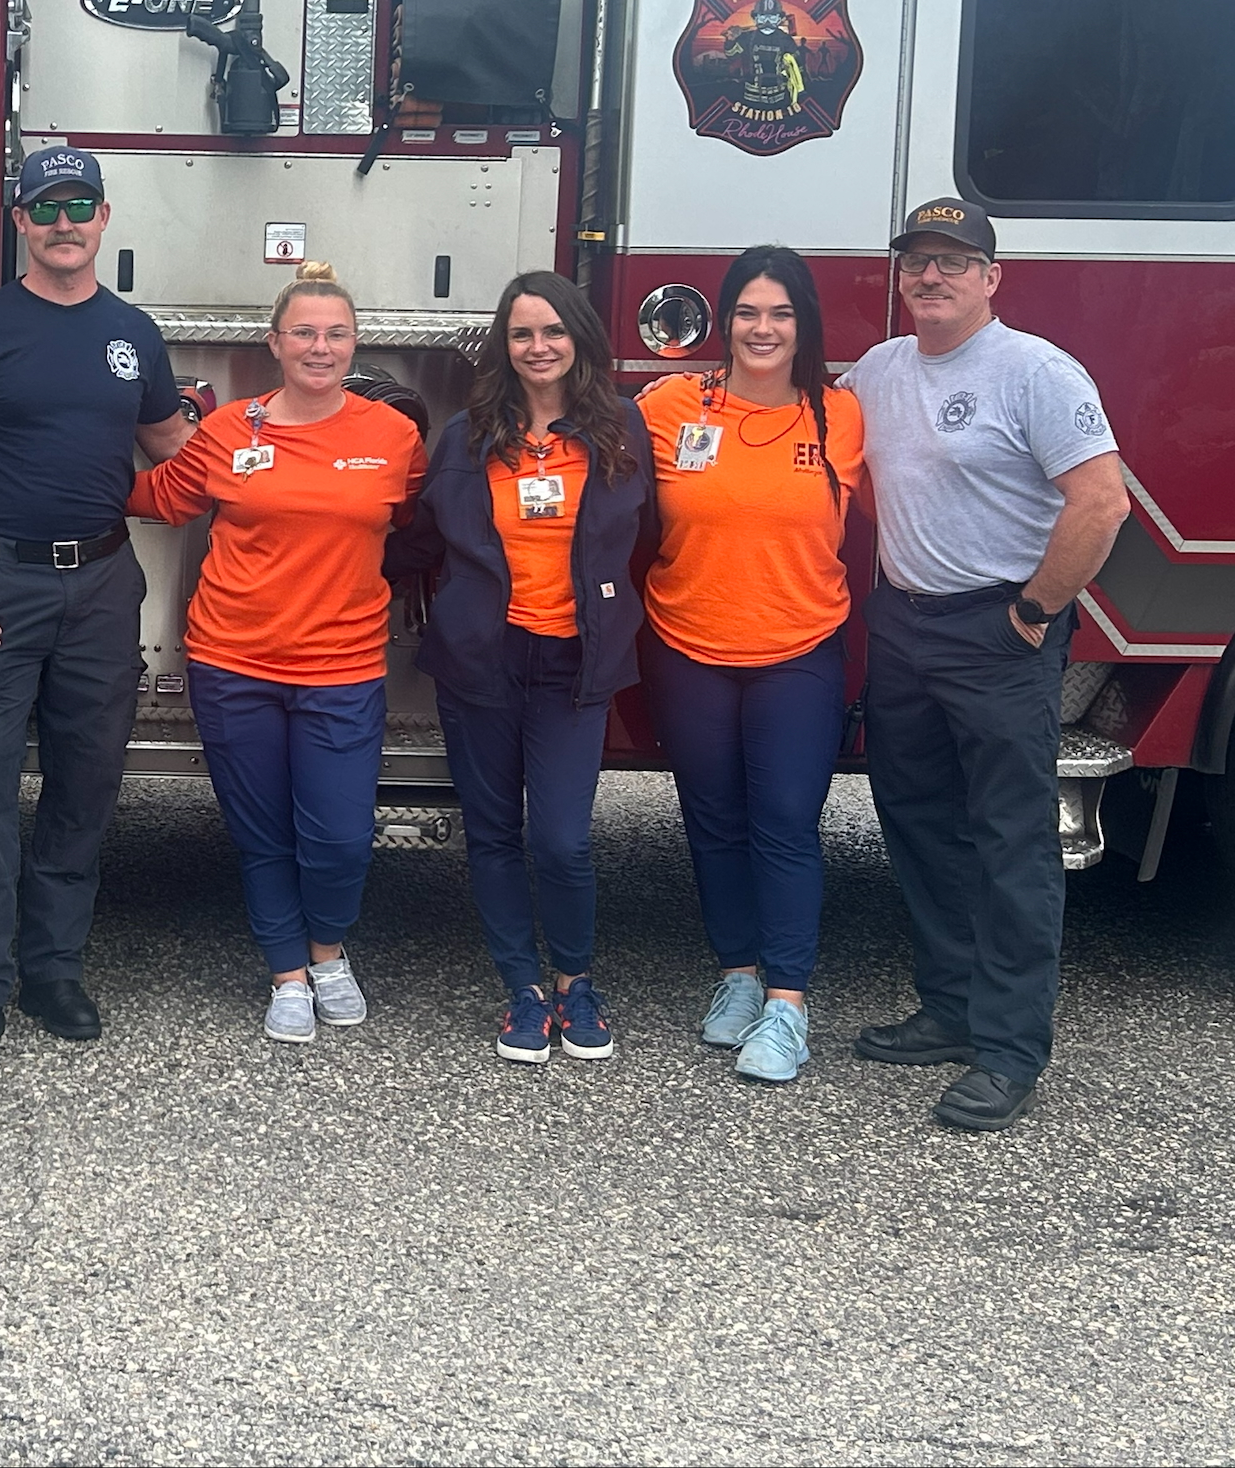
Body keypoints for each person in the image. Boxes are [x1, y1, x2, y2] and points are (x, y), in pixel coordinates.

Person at [0, 146, 191, 1067]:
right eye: (45, 207)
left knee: (85, 783)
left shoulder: (133, 334)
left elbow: (173, 449)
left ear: (105, 218)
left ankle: (54, 970)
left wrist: (264, 439)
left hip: (104, 586)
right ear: (20, 222)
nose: (64, 223)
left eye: (80, 206)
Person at [843, 198, 1128, 1132]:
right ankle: (952, 1008)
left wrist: (1034, 612)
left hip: (1000, 633)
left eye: (953, 263)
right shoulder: (880, 370)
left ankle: (1009, 1050)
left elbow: (1100, 502)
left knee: (1011, 841)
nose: (930, 277)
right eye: (917, 262)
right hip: (906, 627)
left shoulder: (1035, 370)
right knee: (921, 823)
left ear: (991, 279)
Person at [127, 263, 424, 1043]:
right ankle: (288, 973)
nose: (319, 348)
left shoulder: (393, 437)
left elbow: (427, 523)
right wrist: (62, 458)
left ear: (355, 344)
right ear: (275, 343)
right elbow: (159, 498)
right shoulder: (230, 430)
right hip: (234, 663)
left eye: (335, 334)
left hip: (344, 668)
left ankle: (329, 953)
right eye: (304, 333)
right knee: (260, 831)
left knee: (338, 836)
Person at [403, 271, 652, 1065]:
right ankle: (522, 988)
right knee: (493, 835)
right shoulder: (467, 436)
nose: (537, 347)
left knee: (563, 839)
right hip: (484, 659)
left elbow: (647, 534)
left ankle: (577, 981)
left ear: (578, 337)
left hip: (574, 661)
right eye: (521, 334)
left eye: (551, 331)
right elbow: (422, 537)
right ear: (502, 348)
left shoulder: (620, 429)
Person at [637, 246, 865, 1085]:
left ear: (803, 325)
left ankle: (789, 1005)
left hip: (798, 649)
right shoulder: (667, 405)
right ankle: (737, 975)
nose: (761, 329)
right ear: (722, 321)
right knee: (713, 821)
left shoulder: (840, 415)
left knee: (785, 824)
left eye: (780, 314)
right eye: (746, 312)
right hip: (687, 645)